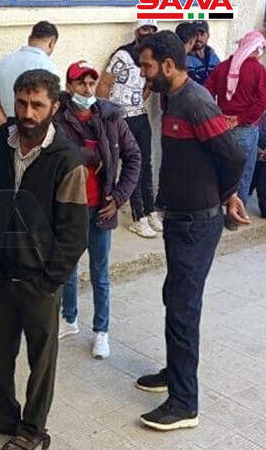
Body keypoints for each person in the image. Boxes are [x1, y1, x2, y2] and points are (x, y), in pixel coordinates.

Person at [134, 30, 248, 431]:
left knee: (183, 308)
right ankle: (175, 372)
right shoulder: (173, 98)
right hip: (179, 220)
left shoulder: (196, 102)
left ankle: (184, 404)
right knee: (175, 297)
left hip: (196, 225)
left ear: (168, 65)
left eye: (147, 66)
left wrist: (226, 194)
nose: (143, 74)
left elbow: (234, 156)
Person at [0, 69, 87, 450]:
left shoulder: (67, 158)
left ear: (54, 107)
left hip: (40, 280)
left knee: (41, 360)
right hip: (2, 271)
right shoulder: (3, 139)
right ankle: (1, 416)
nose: (28, 112)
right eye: (22, 103)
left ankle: (33, 430)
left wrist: (51, 279)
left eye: (37, 105)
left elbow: (75, 232)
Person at [54, 61, 142, 359]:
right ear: (70, 86)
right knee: (67, 268)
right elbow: (57, 152)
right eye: (81, 83)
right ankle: (69, 318)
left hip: (102, 209)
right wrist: (92, 155)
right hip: (70, 207)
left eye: (91, 83)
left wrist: (118, 197)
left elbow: (133, 157)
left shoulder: (110, 117)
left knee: (100, 274)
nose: (87, 88)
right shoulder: (58, 117)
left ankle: (101, 331)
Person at [97, 19, 162, 239]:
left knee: (146, 164)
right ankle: (138, 217)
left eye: (152, 29)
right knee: (132, 165)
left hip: (140, 116)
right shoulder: (122, 56)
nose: (148, 32)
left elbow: (148, 86)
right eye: (144, 28)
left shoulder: (151, 57)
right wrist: (106, 115)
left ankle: (150, 211)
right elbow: (104, 84)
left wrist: (138, 101)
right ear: (136, 31)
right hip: (122, 119)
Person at [204, 30, 266, 210]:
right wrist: (240, 119)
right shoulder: (258, 70)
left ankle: (216, 211)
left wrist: (217, 115)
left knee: (220, 171)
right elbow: (263, 100)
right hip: (245, 129)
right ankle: (235, 215)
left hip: (221, 127)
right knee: (243, 175)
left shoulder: (222, 67)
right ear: (257, 49)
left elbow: (206, 92)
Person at [0, 21, 59, 124]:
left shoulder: (3, 62)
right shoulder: (49, 67)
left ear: (29, 39)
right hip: (34, 128)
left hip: (9, 128)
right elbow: (51, 105)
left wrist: (6, 124)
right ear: (52, 42)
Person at [187, 21, 220, 86]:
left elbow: (221, 79)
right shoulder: (186, 58)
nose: (198, 38)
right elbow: (192, 83)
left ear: (208, 35)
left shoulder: (214, 58)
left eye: (202, 34)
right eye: (195, 34)